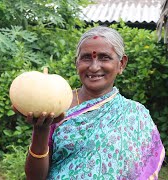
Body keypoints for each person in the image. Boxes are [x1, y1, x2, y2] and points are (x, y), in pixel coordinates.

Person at [22, 26, 165, 179]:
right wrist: (41, 131)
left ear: (121, 63)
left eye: (104, 57)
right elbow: (35, 177)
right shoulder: (56, 105)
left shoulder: (136, 114)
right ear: (76, 63)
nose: (94, 67)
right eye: (86, 57)